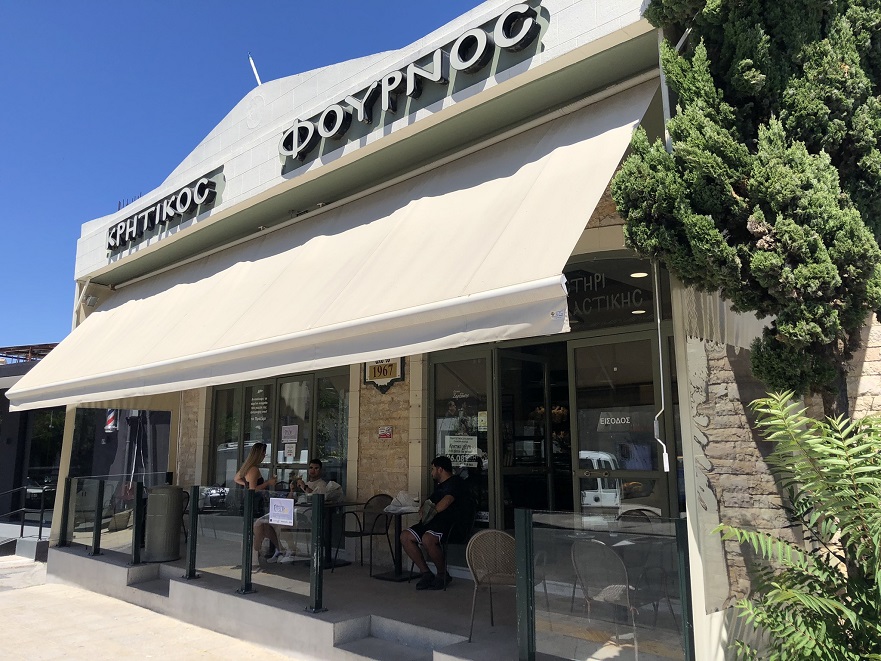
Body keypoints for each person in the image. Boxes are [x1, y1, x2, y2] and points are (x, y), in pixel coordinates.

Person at [401, 455, 466, 590]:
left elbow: (447, 501)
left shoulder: (456, 482)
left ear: (440, 469)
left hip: (449, 524)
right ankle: (426, 573)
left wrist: (431, 512)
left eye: (432, 469)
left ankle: (442, 574)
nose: (431, 472)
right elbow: (430, 501)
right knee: (405, 536)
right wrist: (423, 509)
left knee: (428, 539)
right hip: (432, 523)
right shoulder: (439, 486)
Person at [234, 442, 282, 566]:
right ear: (259, 454)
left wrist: (245, 484)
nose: (264, 455)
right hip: (254, 503)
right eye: (263, 453)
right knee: (258, 529)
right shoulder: (254, 469)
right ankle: (254, 556)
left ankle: (278, 549)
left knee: (265, 526)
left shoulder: (247, 467)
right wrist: (268, 483)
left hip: (251, 502)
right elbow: (253, 489)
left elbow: (237, 478)